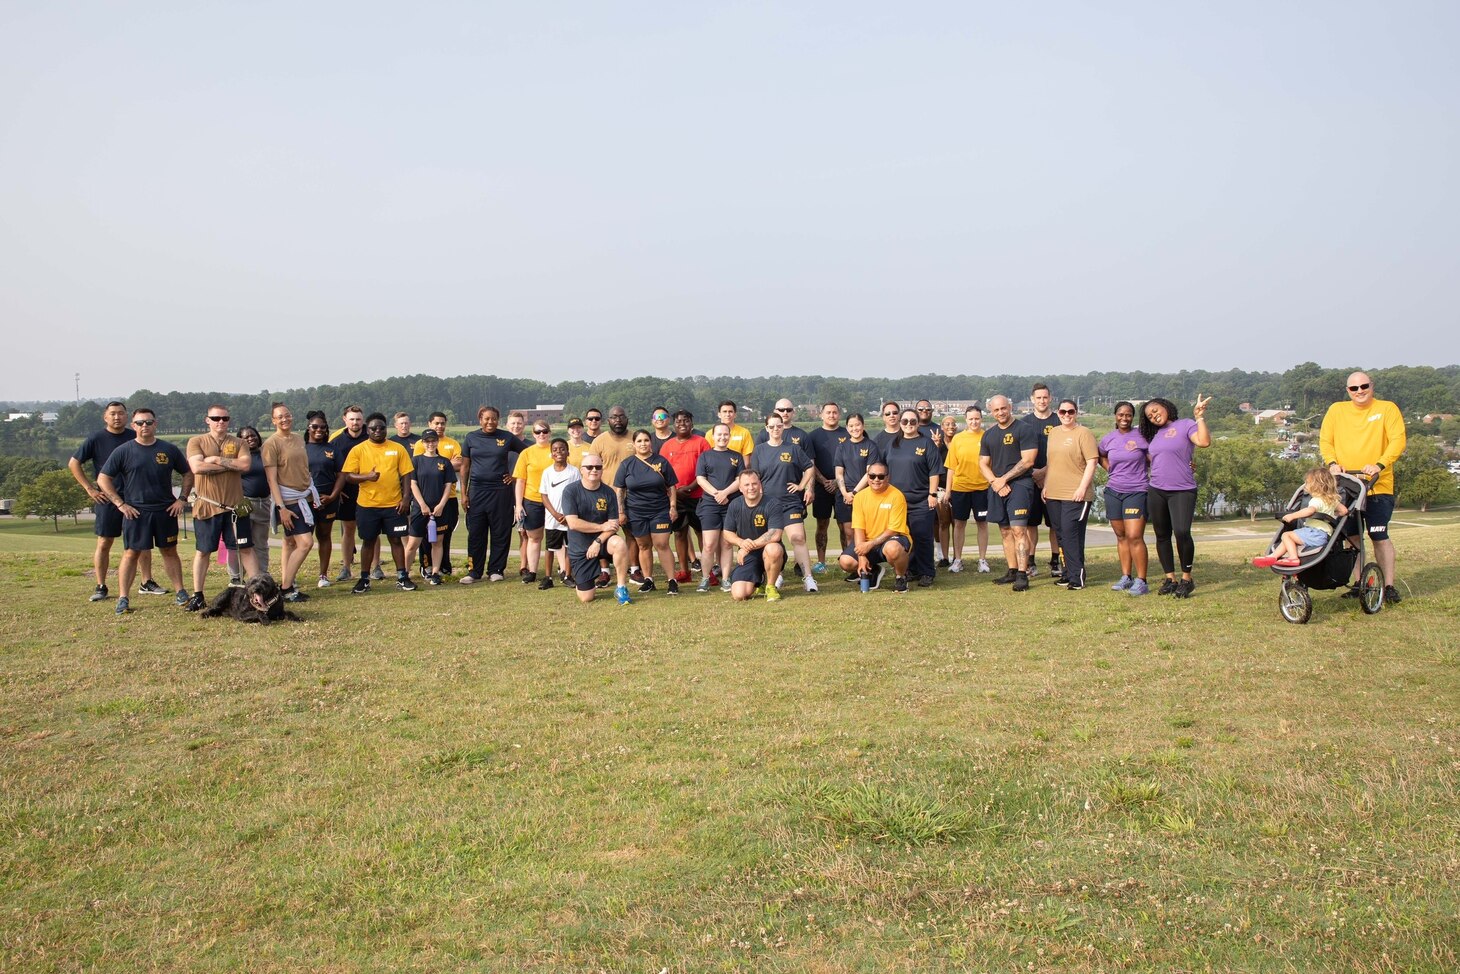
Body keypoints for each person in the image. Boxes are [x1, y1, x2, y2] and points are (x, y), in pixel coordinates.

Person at [1319, 371, 1407, 604]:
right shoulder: (1337, 410)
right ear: (1347, 391)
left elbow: (1398, 440)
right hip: (1346, 486)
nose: (1360, 391)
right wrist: (1332, 464)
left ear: (1372, 386)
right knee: (1352, 537)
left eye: (1364, 386)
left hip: (1378, 486)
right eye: (1354, 388)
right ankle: (1360, 583)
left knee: (1379, 535)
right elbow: (1326, 441)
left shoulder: (1387, 409)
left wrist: (1379, 465)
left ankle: (1388, 586)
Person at [96, 408, 192, 615]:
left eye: (148, 422)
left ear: (155, 424)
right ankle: (123, 597)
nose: (144, 426)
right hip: (136, 513)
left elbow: (187, 473)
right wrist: (120, 504)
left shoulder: (168, 449)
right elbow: (103, 479)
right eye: (140, 423)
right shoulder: (124, 451)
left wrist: (182, 499)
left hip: (165, 511)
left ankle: (180, 592)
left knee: (169, 551)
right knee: (131, 553)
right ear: (133, 426)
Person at [68, 400, 160, 602]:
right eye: (113, 414)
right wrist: (89, 488)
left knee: (141, 543)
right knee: (104, 542)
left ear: (127, 417)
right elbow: (74, 463)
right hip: (108, 499)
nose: (117, 417)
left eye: (121, 413)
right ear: (105, 416)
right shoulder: (96, 438)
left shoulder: (134, 435)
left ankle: (147, 582)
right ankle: (101, 585)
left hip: (135, 498)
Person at [185, 404, 258, 611]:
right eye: (216, 418)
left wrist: (216, 460)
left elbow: (244, 466)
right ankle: (198, 595)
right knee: (204, 551)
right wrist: (229, 465)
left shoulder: (239, 442)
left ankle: (256, 592)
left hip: (236, 508)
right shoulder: (196, 441)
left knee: (246, 548)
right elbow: (197, 467)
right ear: (207, 420)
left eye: (225, 418)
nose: (220, 422)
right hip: (207, 506)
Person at [1141, 394, 1213, 598]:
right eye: (1149, 415)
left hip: (1182, 489)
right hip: (1156, 489)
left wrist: (1199, 417)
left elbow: (1204, 442)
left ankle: (1186, 579)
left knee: (1181, 532)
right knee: (1162, 535)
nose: (1153, 415)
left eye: (1155, 410)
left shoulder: (1185, 425)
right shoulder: (1153, 435)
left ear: (1165, 407)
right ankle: (1170, 578)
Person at [340, 413, 416, 594]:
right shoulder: (359, 450)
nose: (378, 431)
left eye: (381, 427)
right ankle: (364, 579)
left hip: (394, 505)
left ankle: (402, 577)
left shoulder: (397, 448)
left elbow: (406, 474)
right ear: (367, 430)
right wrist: (367, 476)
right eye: (374, 428)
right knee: (368, 541)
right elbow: (348, 475)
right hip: (368, 506)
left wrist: (406, 498)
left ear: (386, 429)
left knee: (396, 540)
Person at [459, 406, 528, 583]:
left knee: (500, 532)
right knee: (476, 533)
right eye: (486, 419)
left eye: (494, 419)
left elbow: (527, 454)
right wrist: (464, 494)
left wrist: (514, 476)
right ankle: (474, 571)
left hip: (501, 492)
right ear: (480, 419)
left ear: (498, 420)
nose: (490, 422)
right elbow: (465, 467)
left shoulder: (506, 437)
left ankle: (496, 570)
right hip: (477, 492)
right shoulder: (471, 438)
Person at [750, 412, 816, 591]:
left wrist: (801, 485)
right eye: (771, 426)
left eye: (778, 426)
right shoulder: (759, 450)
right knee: (773, 542)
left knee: (798, 537)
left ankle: (808, 578)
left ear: (783, 427)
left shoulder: (793, 448)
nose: (775, 429)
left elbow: (809, 468)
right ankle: (777, 576)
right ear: (766, 428)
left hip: (790, 502)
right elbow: (754, 476)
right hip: (768, 505)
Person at [979, 395, 1038, 592]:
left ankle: (1023, 574)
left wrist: (1004, 479)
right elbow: (983, 463)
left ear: (1010, 407)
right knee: (1004, 530)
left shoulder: (1024, 429)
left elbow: (1028, 461)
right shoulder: (989, 435)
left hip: (1020, 486)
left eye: (1003, 408)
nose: (1000, 413)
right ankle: (1012, 570)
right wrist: (995, 482)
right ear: (991, 411)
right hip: (997, 487)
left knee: (1019, 530)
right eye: (996, 410)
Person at [559, 453, 634, 604]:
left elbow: (613, 525)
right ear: (581, 470)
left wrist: (598, 541)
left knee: (619, 544)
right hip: (580, 547)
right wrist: (601, 526)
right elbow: (573, 523)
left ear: (602, 470)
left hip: (603, 541)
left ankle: (621, 587)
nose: (594, 470)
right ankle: (588, 579)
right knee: (586, 598)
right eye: (589, 467)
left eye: (598, 467)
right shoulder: (570, 491)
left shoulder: (608, 492)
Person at [261, 403, 317, 603]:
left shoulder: (298, 439)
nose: (284, 419)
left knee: (290, 543)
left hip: (305, 497)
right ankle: (285, 589)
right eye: (280, 417)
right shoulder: (271, 444)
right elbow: (271, 479)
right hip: (289, 501)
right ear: (273, 421)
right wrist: (281, 508)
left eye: (287, 415)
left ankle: (288, 583)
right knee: (306, 543)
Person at [1041, 400, 1099, 591]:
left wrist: (1082, 488)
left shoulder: (1084, 433)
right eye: (1063, 411)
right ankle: (1066, 574)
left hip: (1075, 494)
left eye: (1071, 411)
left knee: (1071, 534)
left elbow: (1092, 462)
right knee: (1060, 535)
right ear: (1057, 413)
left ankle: (1077, 577)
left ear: (1076, 413)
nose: (1067, 415)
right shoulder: (1054, 433)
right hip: (1054, 493)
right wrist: (1046, 486)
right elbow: (1052, 463)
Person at [613, 429, 680, 594]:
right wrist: (621, 512)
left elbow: (671, 486)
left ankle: (672, 580)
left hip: (660, 510)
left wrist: (673, 507)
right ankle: (648, 579)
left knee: (661, 544)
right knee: (643, 545)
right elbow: (620, 489)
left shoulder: (661, 462)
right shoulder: (627, 464)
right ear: (634, 444)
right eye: (639, 441)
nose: (643, 444)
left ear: (651, 442)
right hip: (635, 511)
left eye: (646, 440)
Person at [884, 408, 941, 587]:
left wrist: (932, 494)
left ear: (918, 423)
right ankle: (910, 569)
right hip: (897, 501)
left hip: (921, 499)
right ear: (900, 423)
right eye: (905, 421)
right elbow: (884, 471)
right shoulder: (893, 444)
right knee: (903, 538)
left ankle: (927, 572)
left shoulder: (926, 443)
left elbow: (934, 472)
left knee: (922, 536)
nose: (909, 425)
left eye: (913, 421)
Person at [1099, 401, 1151, 596]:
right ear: (1115, 416)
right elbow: (1100, 455)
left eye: (1128, 415)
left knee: (1134, 536)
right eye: (1121, 414)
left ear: (1133, 417)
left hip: (1137, 491)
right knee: (1121, 536)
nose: (1124, 418)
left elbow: (1156, 457)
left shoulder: (1142, 437)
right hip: (1113, 491)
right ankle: (1126, 577)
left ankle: (1142, 581)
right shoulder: (1108, 439)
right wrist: (1109, 469)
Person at [838, 460, 912, 594]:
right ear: (867, 477)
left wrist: (869, 545)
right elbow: (859, 529)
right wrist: (862, 557)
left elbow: (893, 530)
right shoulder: (860, 497)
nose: (876, 479)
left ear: (887, 477)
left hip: (892, 538)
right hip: (869, 541)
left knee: (893, 549)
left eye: (881, 476)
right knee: (846, 562)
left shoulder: (896, 496)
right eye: (872, 476)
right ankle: (873, 570)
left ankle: (901, 577)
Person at [1253, 467, 1349, 568]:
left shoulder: (1316, 500)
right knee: (1289, 538)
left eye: (1307, 482)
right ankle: (1273, 556)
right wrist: (1331, 514)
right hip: (1323, 535)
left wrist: (1292, 515)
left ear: (1316, 485)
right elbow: (1344, 511)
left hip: (1314, 533)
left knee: (1286, 535)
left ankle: (1293, 558)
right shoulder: (1332, 500)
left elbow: (1310, 511)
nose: (1305, 485)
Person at [659, 410, 710, 584]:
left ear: (692, 424)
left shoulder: (701, 443)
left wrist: (689, 488)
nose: (682, 424)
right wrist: (674, 491)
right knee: (680, 533)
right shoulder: (667, 446)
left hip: (698, 495)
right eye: (679, 421)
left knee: (702, 532)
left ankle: (707, 571)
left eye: (686, 421)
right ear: (674, 425)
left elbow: (706, 470)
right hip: (676, 497)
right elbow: (663, 472)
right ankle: (684, 570)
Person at [721, 469, 787, 602]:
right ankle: (760, 580)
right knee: (739, 595)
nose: (751, 488)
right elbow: (727, 533)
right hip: (749, 556)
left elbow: (775, 534)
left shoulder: (772, 503)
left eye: (754, 483)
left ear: (760, 484)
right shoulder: (735, 505)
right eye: (746, 485)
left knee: (773, 549)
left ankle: (770, 586)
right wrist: (740, 543)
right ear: (740, 488)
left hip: (768, 551)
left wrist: (747, 548)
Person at [589, 406, 638, 580]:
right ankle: (604, 570)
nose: (618, 420)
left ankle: (634, 568)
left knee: (632, 534)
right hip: (605, 495)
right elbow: (591, 468)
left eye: (621, 416)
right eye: (614, 417)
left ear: (627, 419)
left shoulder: (635, 438)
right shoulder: (599, 441)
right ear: (608, 420)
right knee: (604, 532)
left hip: (632, 495)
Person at [695, 423, 744, 592]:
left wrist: (725, 493)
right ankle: (705, 578)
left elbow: (740, 480)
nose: (722, 437)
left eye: (725, 434)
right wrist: (717, 494)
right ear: (713, 436)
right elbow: (701, 479)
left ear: (729, 436)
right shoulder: (705, 456)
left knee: (727, 544)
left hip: (731, 504)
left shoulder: (736, 456)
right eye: (719, 434)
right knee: (709, 544)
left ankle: (725, 579)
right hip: (710, 504)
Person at [834, 413, 883, 582]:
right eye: (851, 426)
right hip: (845, 495)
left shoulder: (871, 446)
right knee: (848, 532)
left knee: (862, 531)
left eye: (858, 425)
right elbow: (839, 472)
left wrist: (854, 493)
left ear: (863, 426)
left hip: (864, 494)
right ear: (847, 428)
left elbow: (870, 473)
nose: (855, 428)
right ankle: (857, 567)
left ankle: (869, 565)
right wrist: (844, 492)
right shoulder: (842, 447)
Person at [414, 412, 463, 576]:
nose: (439, 426)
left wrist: (446, 464)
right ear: (430, 424)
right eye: (436, 423)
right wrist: (447, 463)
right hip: (428, 498)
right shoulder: (422, 444)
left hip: (448, 498)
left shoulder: (453, 443)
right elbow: (423, 468)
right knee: (425, 535)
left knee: (444, 533)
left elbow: (459, 464)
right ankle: (426, 565)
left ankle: (444, 566)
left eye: (442, 423)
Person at [1020, 383, 1060, 578]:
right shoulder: (1025, 423)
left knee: (1054, 524)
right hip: (1030, 479)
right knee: (1031, 524)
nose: (1042, 401)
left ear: (1050, 398)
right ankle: (1031, 561)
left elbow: (1062, 453)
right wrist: (1034, 472)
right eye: (1038, 398)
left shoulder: (1059, 420)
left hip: (1054, 479)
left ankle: (1055, 561)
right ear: (1032, 399)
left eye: (1045, 397)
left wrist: (1045, 471)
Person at [945, 405, 991, 573]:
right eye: (971, 419)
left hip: (982, 488)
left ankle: (982, 560)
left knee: (982, 524)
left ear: (981, 419)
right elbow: (951, 467)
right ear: (965, 420)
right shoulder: (957, 439)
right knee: (959, 524)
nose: (974, 422)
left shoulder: (987, 437)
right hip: (961, 488)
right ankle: (957, 560)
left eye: (977, 418)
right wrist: (948, 491)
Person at [406, 429, 453, 584]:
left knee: (437, 542)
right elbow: (413, 484)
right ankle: (404, 574)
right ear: (423, 443)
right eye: (427, 441)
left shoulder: (444, 462)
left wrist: (441, 505)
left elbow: (448, 486)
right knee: (413, 543)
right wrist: (422, 504)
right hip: (420, 509)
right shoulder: (416, 461)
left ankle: (435, 573)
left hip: (439, 510)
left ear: (437, 442)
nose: (430, 444)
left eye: (433, 441)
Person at [328, 405, 370, 581]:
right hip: (347, 492)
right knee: (348, 529)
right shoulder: (336, 441)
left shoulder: (371, 436)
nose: (355, 422)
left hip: (369, 490)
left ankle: (374, 567)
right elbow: (329, 467)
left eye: (358, 419)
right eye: (352, 419)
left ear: (363, 420)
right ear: (345, 420)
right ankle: (346, 566)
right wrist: (337, 489)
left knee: (370, 531)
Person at [304, 412, 345, 587]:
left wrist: (333, 496)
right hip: (304, 500)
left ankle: (323, 575)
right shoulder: (301, 448)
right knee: (303, 539)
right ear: (309, 428)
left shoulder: (333, 449)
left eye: (322, 427)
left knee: (324, 536)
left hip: (328, 500)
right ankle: (291, 578)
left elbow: (341, 475)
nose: (319, 430)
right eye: (315, 426)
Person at [512, 419, 556, 584]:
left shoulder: (556, 450)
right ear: (533, 434)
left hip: (554, 501)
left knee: (556, 537)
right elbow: (520, 481)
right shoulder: (527, 453)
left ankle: (564, 571)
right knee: (534, 537)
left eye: (545, 431)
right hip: (532, 499)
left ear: (549, 433)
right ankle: (532, 571)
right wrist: (518, 504)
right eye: (538, 432)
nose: (542, 435)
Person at [808, 402, 849, 574]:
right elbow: (811, 462)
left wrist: (838, 482)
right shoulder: (813, 436)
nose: (831, 415)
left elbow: (853, 461)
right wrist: (825, 481)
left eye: (834, 412)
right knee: (822, 524)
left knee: (844, 525)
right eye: (828, 412)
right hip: (821, 487)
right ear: (821, 415)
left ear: (839, 414)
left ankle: (847, 558)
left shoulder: (848, 433)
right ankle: (821, 562)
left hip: (844, 487)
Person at [537, 437, 580, 590]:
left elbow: (578, 495)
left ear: (568, 452)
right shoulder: (547, 473)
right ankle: (548, 577)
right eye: (555, 450)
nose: (559, 452)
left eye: (562, 449)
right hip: (552, 519)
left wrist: (569, 515)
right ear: (551, 454)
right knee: (550, 548)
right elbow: (544, 495)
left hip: (570, 518)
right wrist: (555, 514)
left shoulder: (574, 472)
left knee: (570, 547)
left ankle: (568, 575)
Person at [237, 426, 273, 578]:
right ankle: (237, 576)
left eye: (253, 436)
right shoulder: (237, 457)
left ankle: (262, 574)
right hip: (244, 503)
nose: (250, 438)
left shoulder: (265, 454)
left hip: (263, 502)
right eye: (246, 437)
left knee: (261, 542)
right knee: (242, 542)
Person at [935, 415, 958, 565]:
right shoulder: (937, 445)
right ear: (942, 427)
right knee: (944, 522)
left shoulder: (960, 442)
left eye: (953, 424)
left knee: (957, 523)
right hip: (942, 488)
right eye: (947, 424)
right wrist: (936, 447)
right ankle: (944, 557)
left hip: (959, 487)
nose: (950, 426)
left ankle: (957, 556)